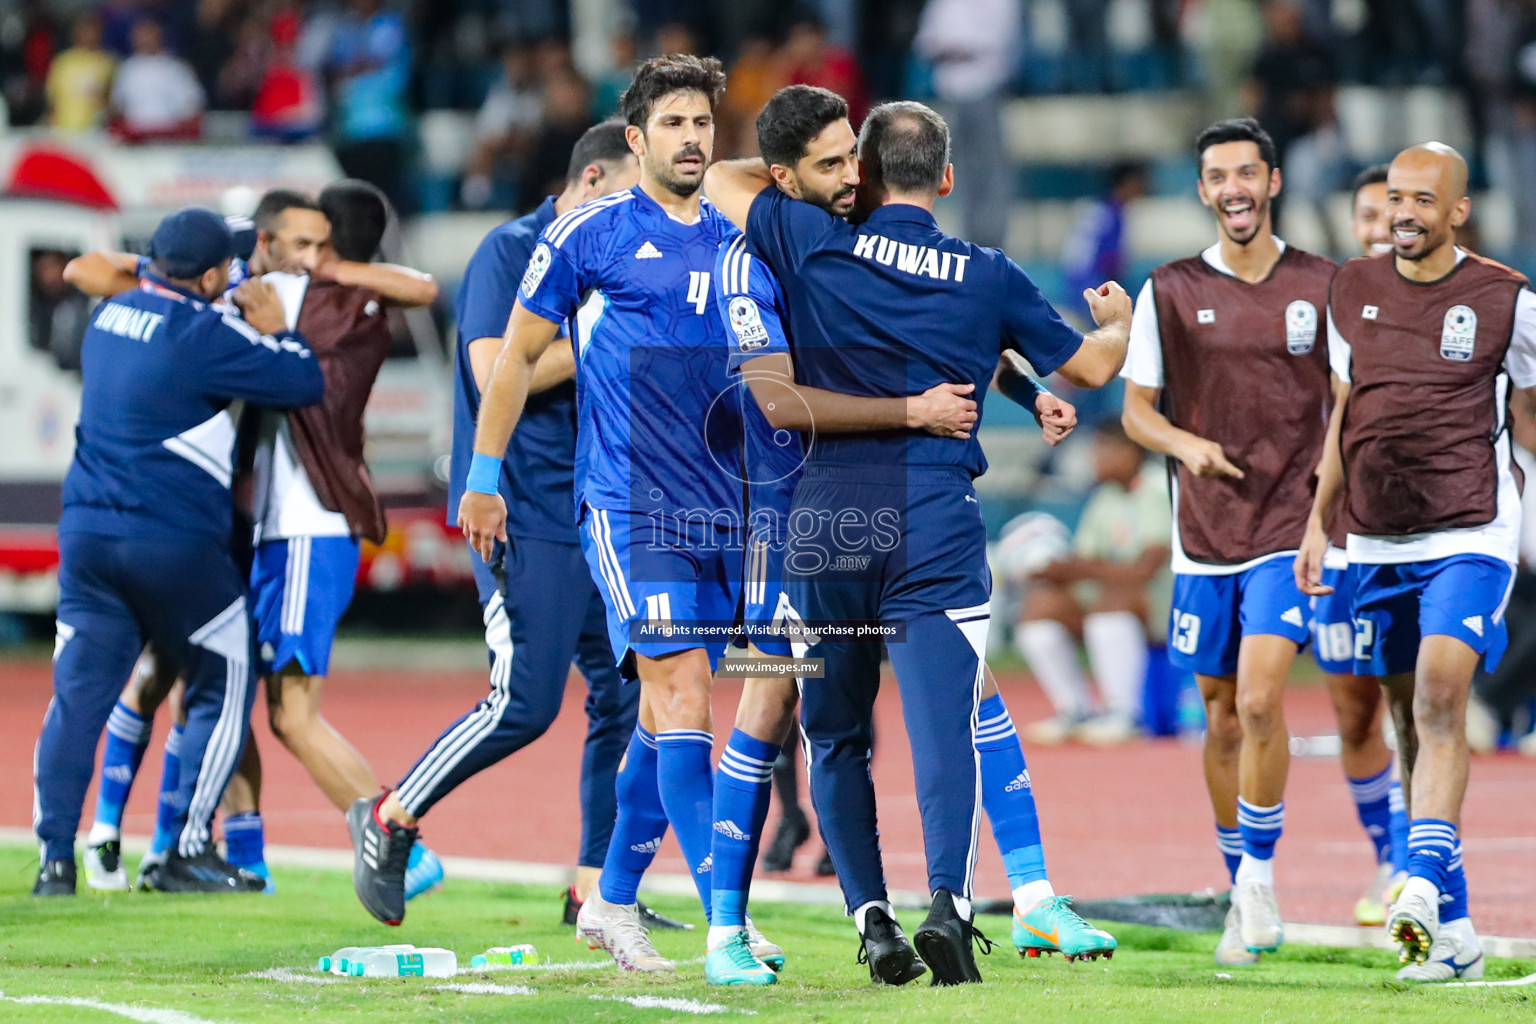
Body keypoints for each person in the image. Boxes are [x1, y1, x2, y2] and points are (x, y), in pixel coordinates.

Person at [383, 55, 797, 986]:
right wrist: (480, 482)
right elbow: (515, 360)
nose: (693, 138)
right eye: (675, 123)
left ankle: (609, 898)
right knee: (686, 693)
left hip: (723, 511)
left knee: (660, 717)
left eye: (704, 123)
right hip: (625, 504)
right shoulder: (591, 235)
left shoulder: (743, 241)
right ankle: (728, 924)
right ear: (636, 140)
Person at [705, 98, 1130, 985]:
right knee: (949, 729)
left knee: (833, 732)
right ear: (945, 176)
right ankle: (953, 903)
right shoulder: (985, 271)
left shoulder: (807, 239)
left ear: (859, 172)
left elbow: (719, 178)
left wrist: (822, 191)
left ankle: (869, 920)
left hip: (821, 518)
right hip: (932, 517)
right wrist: (1119, 322)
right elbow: (1091, 368)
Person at [342, 121, 680, 934]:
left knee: (631, 698)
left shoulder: (627, 255)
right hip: (522, 507)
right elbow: (496, 371)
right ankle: (391, 816)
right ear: (594, 179)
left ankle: (597, 891)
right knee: (524, 702)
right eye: (633, 190)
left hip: (603, 505)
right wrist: (601, 327)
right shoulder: (514, 248)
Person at [1297, 142, 1536, 982]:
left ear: (1458, 210)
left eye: (1423, 200)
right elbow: (1343, 416)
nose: (1404, 212)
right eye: (1395, 196)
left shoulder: (1509, 299)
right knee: (1404, 721)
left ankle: (1419, 880)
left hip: (1471, 529)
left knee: (1440, 694)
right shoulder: (1349, 288)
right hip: (1373, 539)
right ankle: (1459, 933)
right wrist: (1317, 523)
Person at [32, 207, 323, 896]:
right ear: (215, 274)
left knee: (77, 698)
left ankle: (53, 862)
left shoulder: (109, 316)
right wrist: (277, 329)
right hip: (169, 539)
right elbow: (302, 380)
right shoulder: (204, 333)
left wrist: (165, 273)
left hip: (85, 536)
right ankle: (187, 847)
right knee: (226, 678)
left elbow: (128, 281)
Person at [1121, 118, 1335, 966]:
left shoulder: (1324, 285)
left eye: (1249, 172)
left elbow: (1351, 400)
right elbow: (1137, 410)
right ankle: (1237, 877)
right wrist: (1185, 446)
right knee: (1217, 717)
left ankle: (1257, 881)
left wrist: (1330, 511)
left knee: (1257, 702)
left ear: (1272, 183)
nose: (1235, 188)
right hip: (1202, 537)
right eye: (1219, 176)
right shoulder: (1167, 289)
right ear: (1204, 190)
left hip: (1290, 524)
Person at [1306, 162, 1411, 928]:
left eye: (1393, 213)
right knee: (1354, 710)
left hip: (1425, 533)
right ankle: (1386, 851)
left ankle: (1419, 857)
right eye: (1368, 215)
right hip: (1341, 540)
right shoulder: (1326, 308)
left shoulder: (1453, 301)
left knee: (1422, 700)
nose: (1380, 227)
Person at [1013, 420, 1173, 746]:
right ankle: (1076, 710)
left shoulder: (1156, 488)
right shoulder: (1105, 496)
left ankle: (1125, 714)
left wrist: (1079, 569)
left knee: (1111, 600)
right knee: (1041, 608)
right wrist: (1054, 571)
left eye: (1102, 449)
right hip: (1113, 600)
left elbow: (1147, 568)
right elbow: (1083, 561)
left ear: (1132, 453)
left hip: (1165, 604)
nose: (1094, 458)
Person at [109, 18, 204, 142]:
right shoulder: (127, 69)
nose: (144, 39)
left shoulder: (176, 68)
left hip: (169, 140)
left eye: (148, 34)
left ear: (159, 35)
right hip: (135, 142)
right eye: (140, 35)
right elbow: (117, 106)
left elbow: (193, 107)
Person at [45, 13, 116, 131]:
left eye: (92, 31)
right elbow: (52, 99)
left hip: (95, 131)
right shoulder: (63, 62)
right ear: (76, 32)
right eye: (84, 30)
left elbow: (113, 101)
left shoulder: (107, 63)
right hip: (64, 128)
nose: (89, 35)